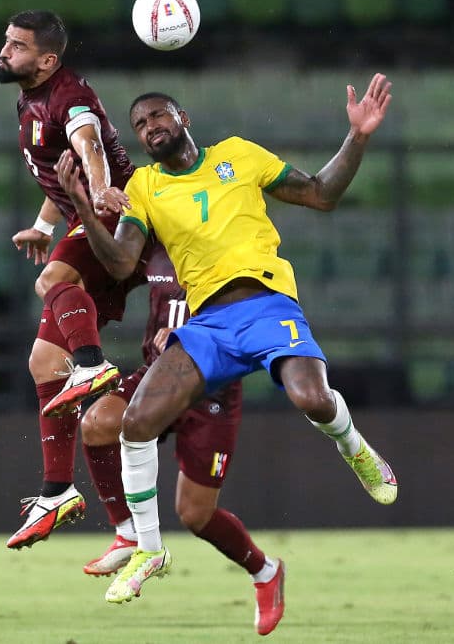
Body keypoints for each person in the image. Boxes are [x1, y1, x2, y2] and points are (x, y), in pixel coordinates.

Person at [55, 74, 398, 611]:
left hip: (267, 304)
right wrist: (80, 200)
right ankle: (148, 549)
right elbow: (122, 261)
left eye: (159, 115)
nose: (150, 128)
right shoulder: (145, 187)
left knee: (312, 399)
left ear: (183, 118)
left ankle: (354, 447)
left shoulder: (237, 155)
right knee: (134, 422)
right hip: (207, 325)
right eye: (140, 125)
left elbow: (320, 194)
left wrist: (357, 137)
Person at [0, 9, 148, 550]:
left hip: (117, 217)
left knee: (51, 280)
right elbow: (59, 168)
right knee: (42, 361)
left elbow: (88, 144)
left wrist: (102, 189)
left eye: (17, 46)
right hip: (87, 213)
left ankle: (93, 365)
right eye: (7, 42)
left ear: (48, 59)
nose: (5, 51)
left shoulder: (68, 94)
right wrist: (42, 224)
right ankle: (58, 491)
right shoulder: (30, 98)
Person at [81, 242, 286, 636]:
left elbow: (251, 315)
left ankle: (266, 571)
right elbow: (111, 263)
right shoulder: (152, 239)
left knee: (195, 514)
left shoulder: (229, 247)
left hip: (213, 390)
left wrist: (193, 334)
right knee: (98, 423)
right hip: (157, 376)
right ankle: (127, 533)